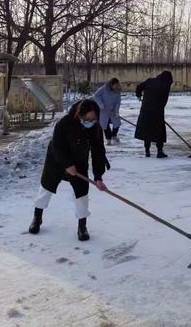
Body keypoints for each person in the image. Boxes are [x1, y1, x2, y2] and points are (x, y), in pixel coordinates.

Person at [28, 99, 110, 241]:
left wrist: (98, 177)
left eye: (94, 119)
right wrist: (67, 165)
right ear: (79, 115)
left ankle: (82, 226)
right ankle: (37, 217)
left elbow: (98, 153)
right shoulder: (64, 123)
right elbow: (57, 147)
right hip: (56, 159)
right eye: (87, 118)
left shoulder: (95, 129)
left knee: (82, 193)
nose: (91, 121)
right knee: (46, 188)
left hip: (79, 161)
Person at [135, 70, 173, 158]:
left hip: (145, 110)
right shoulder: (165, 85)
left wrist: (138, 95)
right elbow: (164, 100)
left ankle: (147, 151)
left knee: (147, 131)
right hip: (157, 112)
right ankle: (159, 151)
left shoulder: (150, 81)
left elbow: (139, 87)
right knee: (159, 132)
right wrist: (159, 110)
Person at [94, 78, 122, 145]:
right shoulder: (103, 89)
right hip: (103, 110)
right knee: (105, 125)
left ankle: (114, 135)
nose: (116, 87)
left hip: (112, 110)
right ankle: (108, 139)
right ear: (111, 84)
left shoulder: (118, 91)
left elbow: (118, 102)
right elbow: (96, 95)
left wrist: (116, 111)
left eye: (117, 85)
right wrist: (101, 104)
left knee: (117, 123)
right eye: (115, 85)